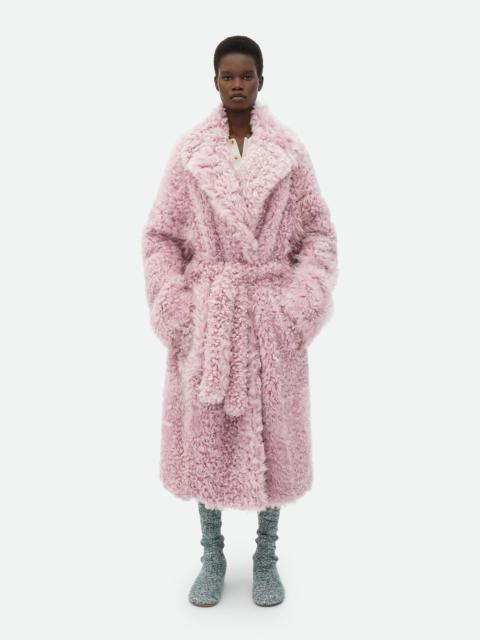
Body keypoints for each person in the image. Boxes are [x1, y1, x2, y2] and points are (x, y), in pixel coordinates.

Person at [141, 35, 338, 607]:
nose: (236, 85)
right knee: (204, 438)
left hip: (270, 321)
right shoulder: (190, 153)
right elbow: (160, 237)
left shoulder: (290, 153)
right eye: (227, 76)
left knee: (276, 439)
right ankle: (212, 554)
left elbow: (319, 235)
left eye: (246, 76)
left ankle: (267, 556)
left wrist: (297, 309)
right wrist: (178, 310)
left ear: (260, 80)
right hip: (211, 321)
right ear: (215, 82)